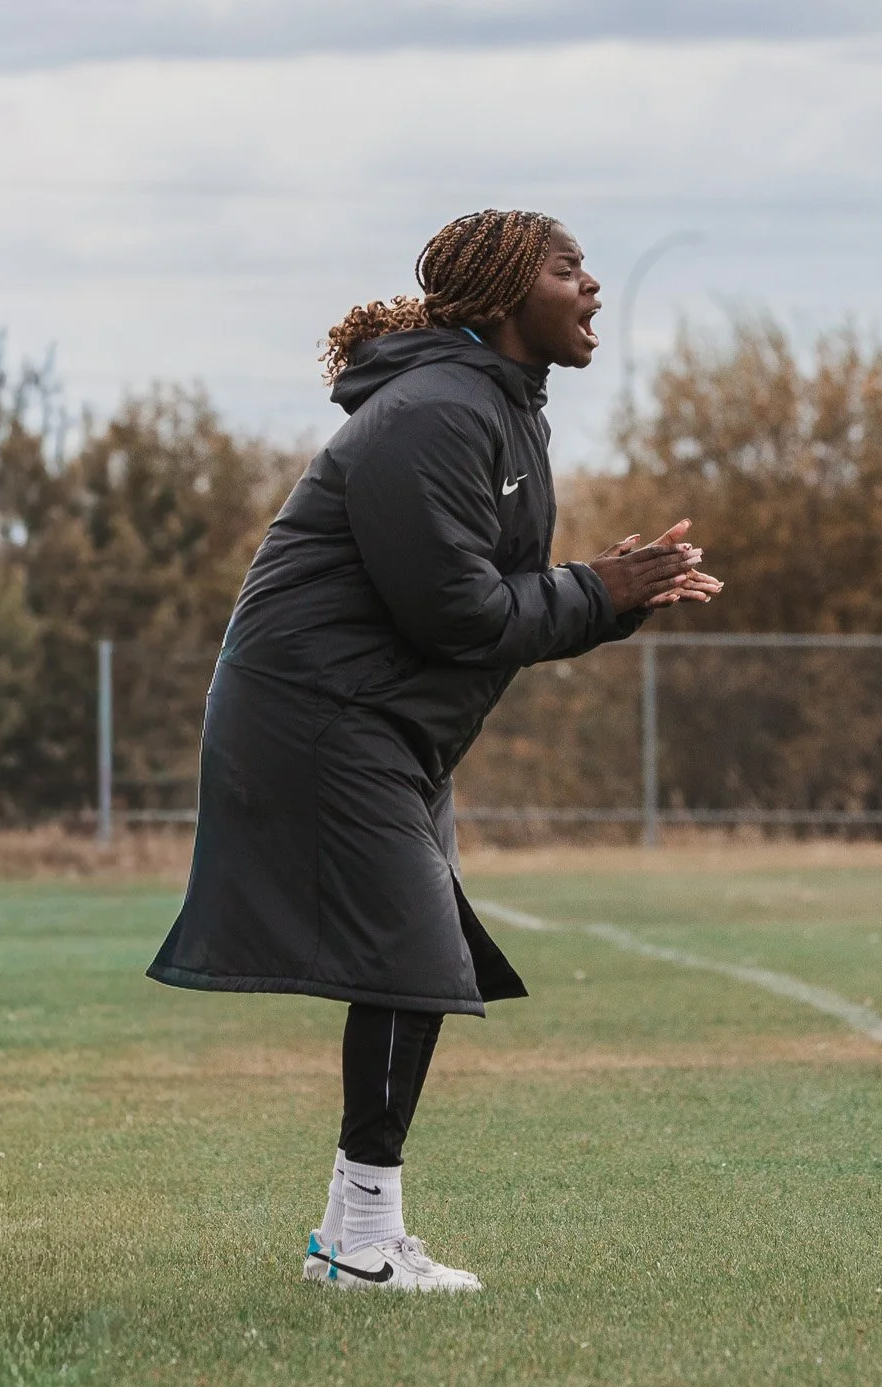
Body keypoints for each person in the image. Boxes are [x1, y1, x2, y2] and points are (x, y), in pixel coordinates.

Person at [146, 209, 720, 1292]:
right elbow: (458, 614)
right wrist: (599, 588)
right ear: (507, 296)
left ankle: (354, 1235)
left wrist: (612, 592)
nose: (592, 286)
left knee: (417, 959)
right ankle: (361, 1245)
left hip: (385, 727)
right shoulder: (432, 414)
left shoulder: (495, 408)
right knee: (415, 958)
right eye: (567, 268)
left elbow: (491, 606)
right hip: (321, 718)